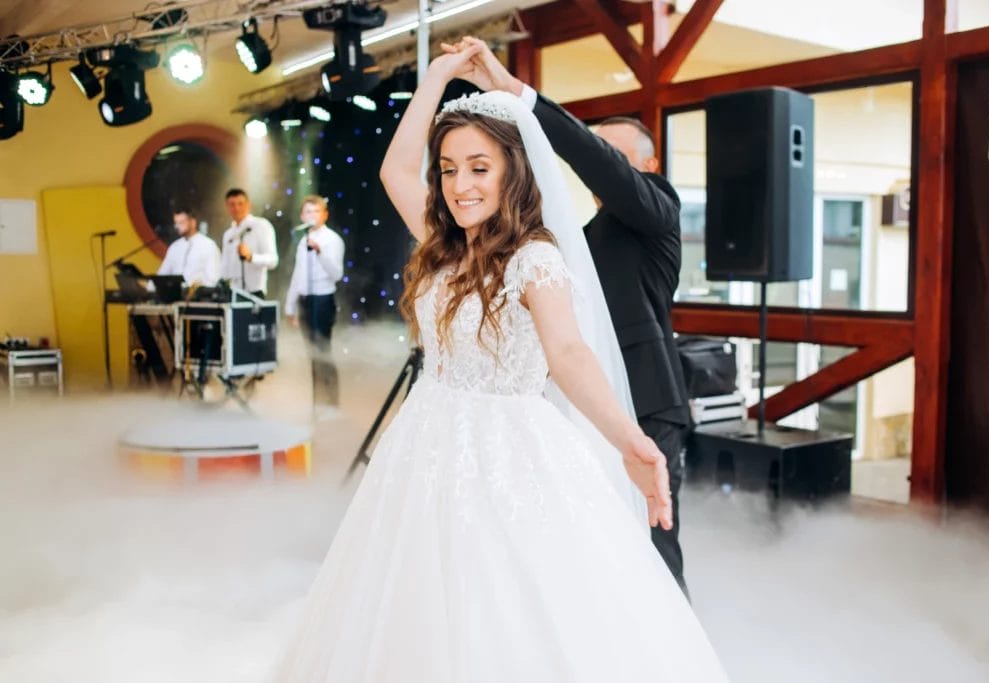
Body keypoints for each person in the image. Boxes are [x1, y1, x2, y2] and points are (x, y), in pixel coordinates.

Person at [274, 46, 727, 682]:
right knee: (411, 601)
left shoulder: (536, 258)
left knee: (504, 604)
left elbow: (568, 352)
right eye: (449, 169)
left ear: (513, 173)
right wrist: (436, 76)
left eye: (479, 168)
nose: (460, 185)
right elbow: (396, 170)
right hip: (424, 442)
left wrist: (629, 439)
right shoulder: (442, 246)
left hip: (507, 448)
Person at [445, 36, 692, 595]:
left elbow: (600, 164)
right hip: (581, 402)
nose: (603, 164)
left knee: (653, 544)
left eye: (615, 155)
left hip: (646, 398)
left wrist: (515, 92)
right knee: (593, 544)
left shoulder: (659, 208)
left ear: (649, 165)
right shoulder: (576, 238)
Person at [284, 195, 345, 410]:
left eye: (316, 211)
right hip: (305, 300)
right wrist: (290, 305)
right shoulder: (303, 241)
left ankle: (331, 403)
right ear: (302, 216)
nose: (312, 216)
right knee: (312, 353)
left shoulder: (333, 240)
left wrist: (320, 252)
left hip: (322, 300)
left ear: (325, 215)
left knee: (322, 352)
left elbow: (337, 274)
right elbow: (298, 274)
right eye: (308, 212)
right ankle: (317, 403)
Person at [221, 188, 278, 298]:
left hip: (255, 293)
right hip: (232, 293)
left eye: (240, 204)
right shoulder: (228, 234)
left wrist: (251, 257)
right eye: (232, 204)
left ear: (248, 205)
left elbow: (273, 260)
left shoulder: (261, 226)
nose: (236, 208)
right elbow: (224, 266)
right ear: (227, 207)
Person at [156, 207, 220, 287]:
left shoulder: (208, 245)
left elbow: (214, 279)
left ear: (193, 222)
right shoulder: (174, 247)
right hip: (175, 293)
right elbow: (162, 275)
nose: (177, 226)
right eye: (176, 223)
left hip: (199, 293)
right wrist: (149, 286)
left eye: (181, 222)